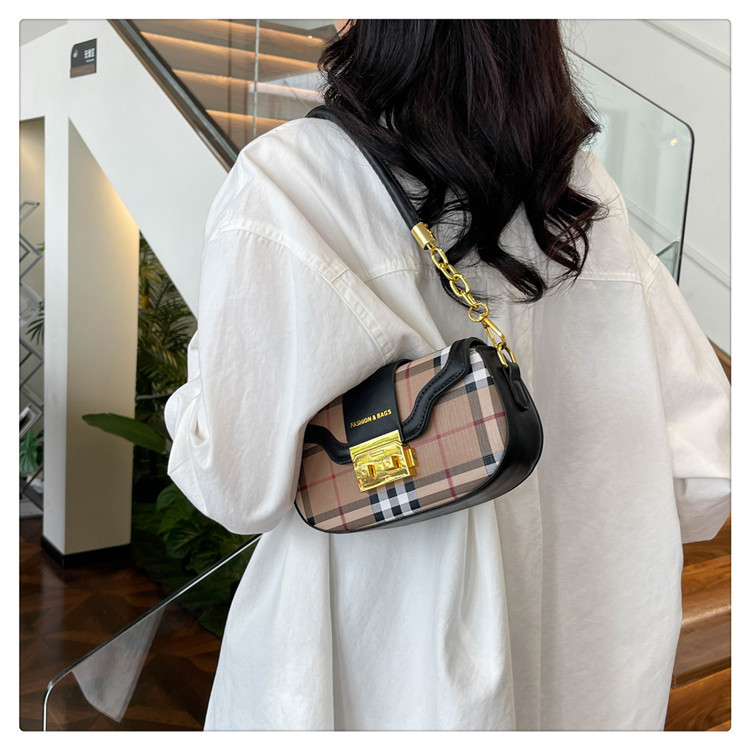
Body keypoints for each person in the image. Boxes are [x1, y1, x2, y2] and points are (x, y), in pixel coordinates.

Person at [164, 20, 730, 730]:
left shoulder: (292, 180)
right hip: (583, 665)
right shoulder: (581, 194)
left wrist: (192, 402)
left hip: (375, 663)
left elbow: (235, 486)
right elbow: (705, 475)